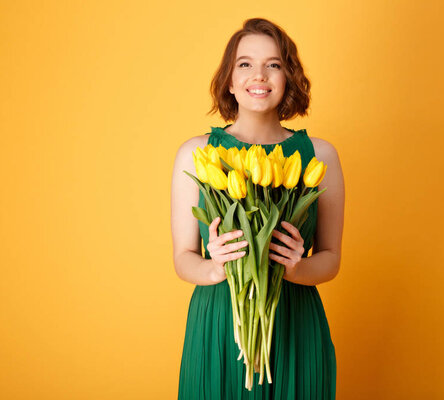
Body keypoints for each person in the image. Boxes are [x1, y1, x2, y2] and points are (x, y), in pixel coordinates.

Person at [170, 17, 344, 400]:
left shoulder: (320, 156)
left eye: (274, 65)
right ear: (230, 81)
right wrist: (215, 266)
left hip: (293, 324)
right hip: (220, 323)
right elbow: (183, 259)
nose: (259, 75)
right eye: (245, 64)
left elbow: (331, 259)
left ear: (289, 78)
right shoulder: (196, 154)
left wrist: (297, 267)